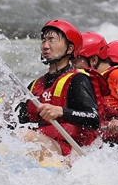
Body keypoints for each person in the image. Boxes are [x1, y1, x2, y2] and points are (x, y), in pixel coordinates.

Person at [16, 19, 102, 160]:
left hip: (69, 153)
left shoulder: (78, 79)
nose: (45, 46)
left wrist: (60, 111)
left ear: (69, 49)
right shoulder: (34, 85)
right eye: (43, 40)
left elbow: (94, 118)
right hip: (40, 145)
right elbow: (19, 122)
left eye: (52, 40)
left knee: (23, 134)